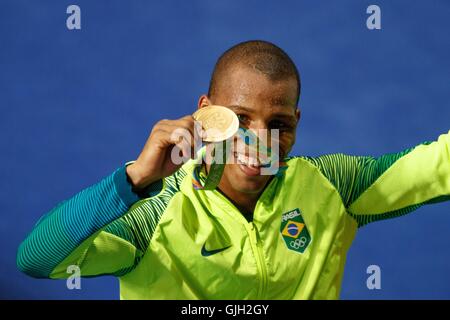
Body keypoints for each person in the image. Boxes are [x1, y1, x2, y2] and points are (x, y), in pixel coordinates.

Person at [17, 40, 450, 299]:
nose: (258, 142)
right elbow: (37, 260)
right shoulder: (154, 213)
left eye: (277, 124)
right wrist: (133, 181)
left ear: (296, 123)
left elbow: (439, 164)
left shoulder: (334, 185)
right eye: (240, 120)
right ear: (206, 113)